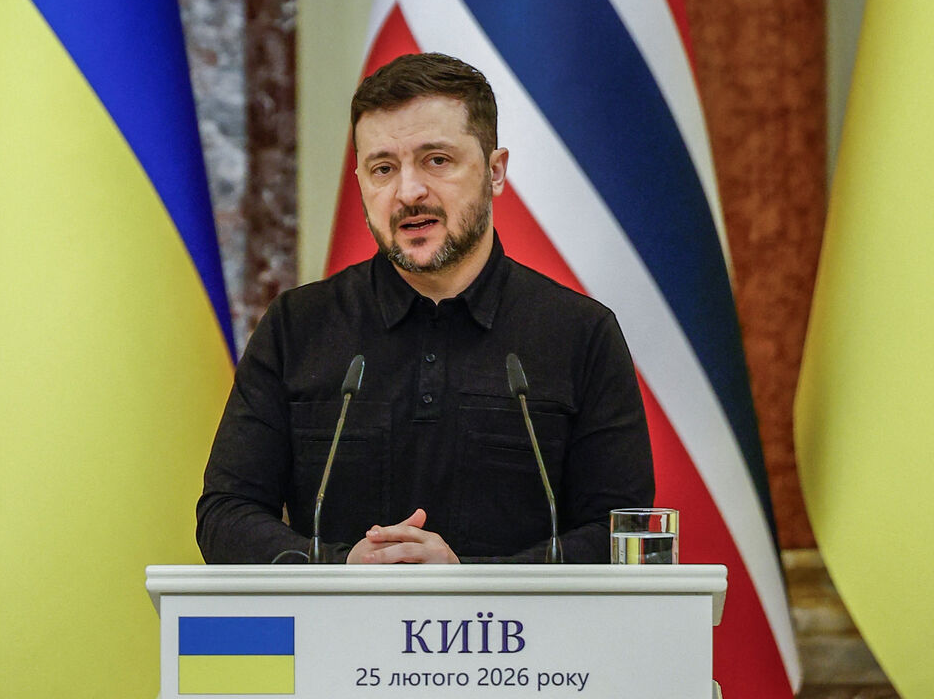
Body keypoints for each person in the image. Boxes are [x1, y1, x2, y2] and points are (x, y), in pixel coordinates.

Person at [197, 53, 653, 564]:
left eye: (437, 160)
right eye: (383, 168)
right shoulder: (297, 327)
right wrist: (342, 567)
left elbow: (623, 538)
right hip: (338, 639)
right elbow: (225, 516)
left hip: (520, 642)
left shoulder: (580, 334)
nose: (408, 192)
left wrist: (467, 584)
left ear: (495, 172)